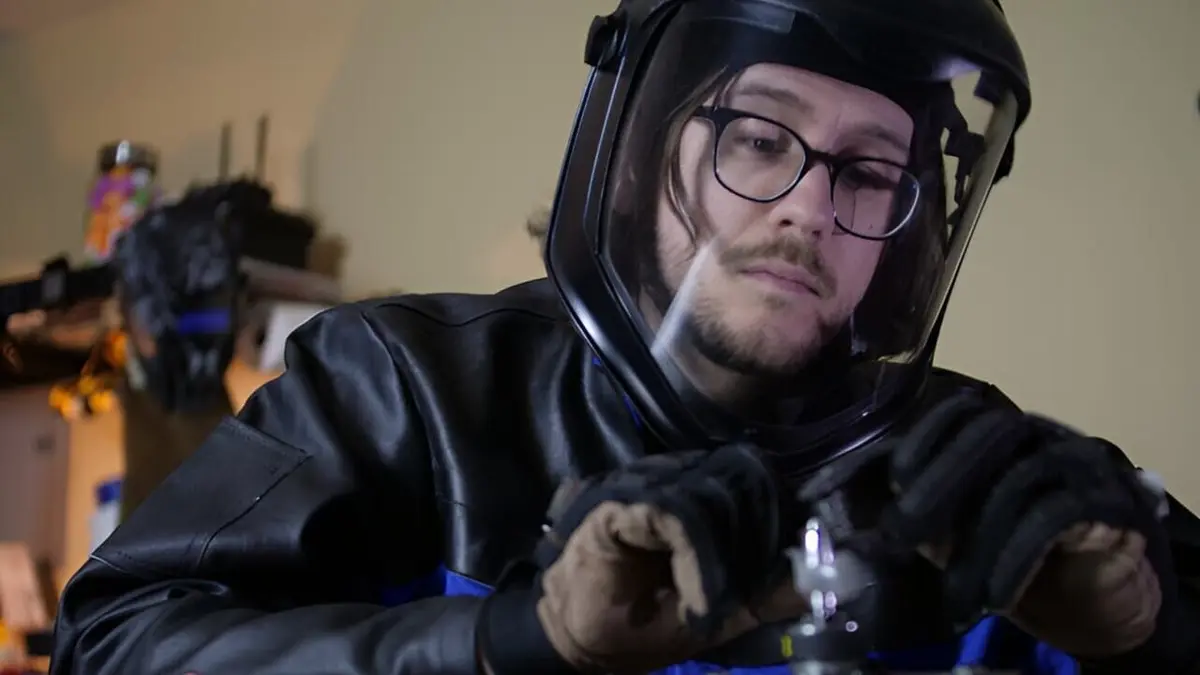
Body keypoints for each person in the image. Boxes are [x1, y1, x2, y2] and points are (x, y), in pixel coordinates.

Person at [50, 1, 1200, 674]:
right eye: (760, 138)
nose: (809, 207)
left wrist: (1157, 641)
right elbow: (114, 645)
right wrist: (513, 640)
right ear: (646, 154)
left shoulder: (998, 485)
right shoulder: (408, 387)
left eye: (867, 172)